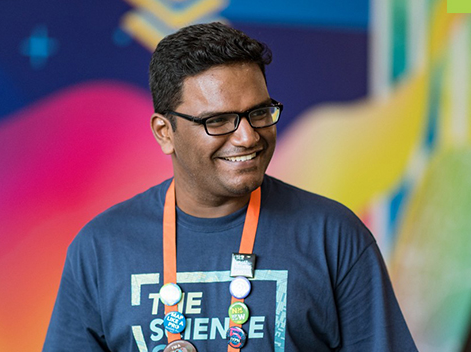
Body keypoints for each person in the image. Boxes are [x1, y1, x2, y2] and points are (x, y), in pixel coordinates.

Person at [43, 22, 416, 351]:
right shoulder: (101, 248)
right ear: (164, 132)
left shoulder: (332, 235)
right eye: (219, 120)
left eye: (258, 112)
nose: (247, 136)